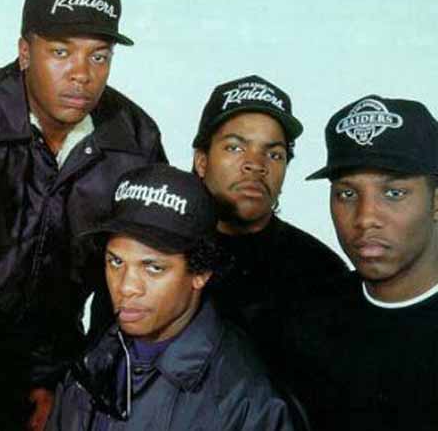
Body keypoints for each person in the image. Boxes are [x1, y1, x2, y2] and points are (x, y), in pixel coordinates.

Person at [0, 0, 167, 429]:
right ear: (25, 51)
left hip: (54, 372)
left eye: (99, 56)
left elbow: (134, 279)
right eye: (61, 52)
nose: (82, 73)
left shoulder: (135, 139)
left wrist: (74, 377)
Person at [46, 163, 297, 430]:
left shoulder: (246, 402)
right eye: (116, 262)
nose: (127, 287)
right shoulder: (93, 359)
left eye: (153, 268)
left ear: (201, 272)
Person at [284, 95, 438, 430]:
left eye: (394, 193)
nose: (366, 218)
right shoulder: (305, 323)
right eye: (347, 194)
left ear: (436, 202)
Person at [191, 75, 350, 372]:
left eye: (274, 154)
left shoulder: (321, 271)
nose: (256, 164)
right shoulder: (162, 251)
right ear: (202, 161)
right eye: (235, 147)